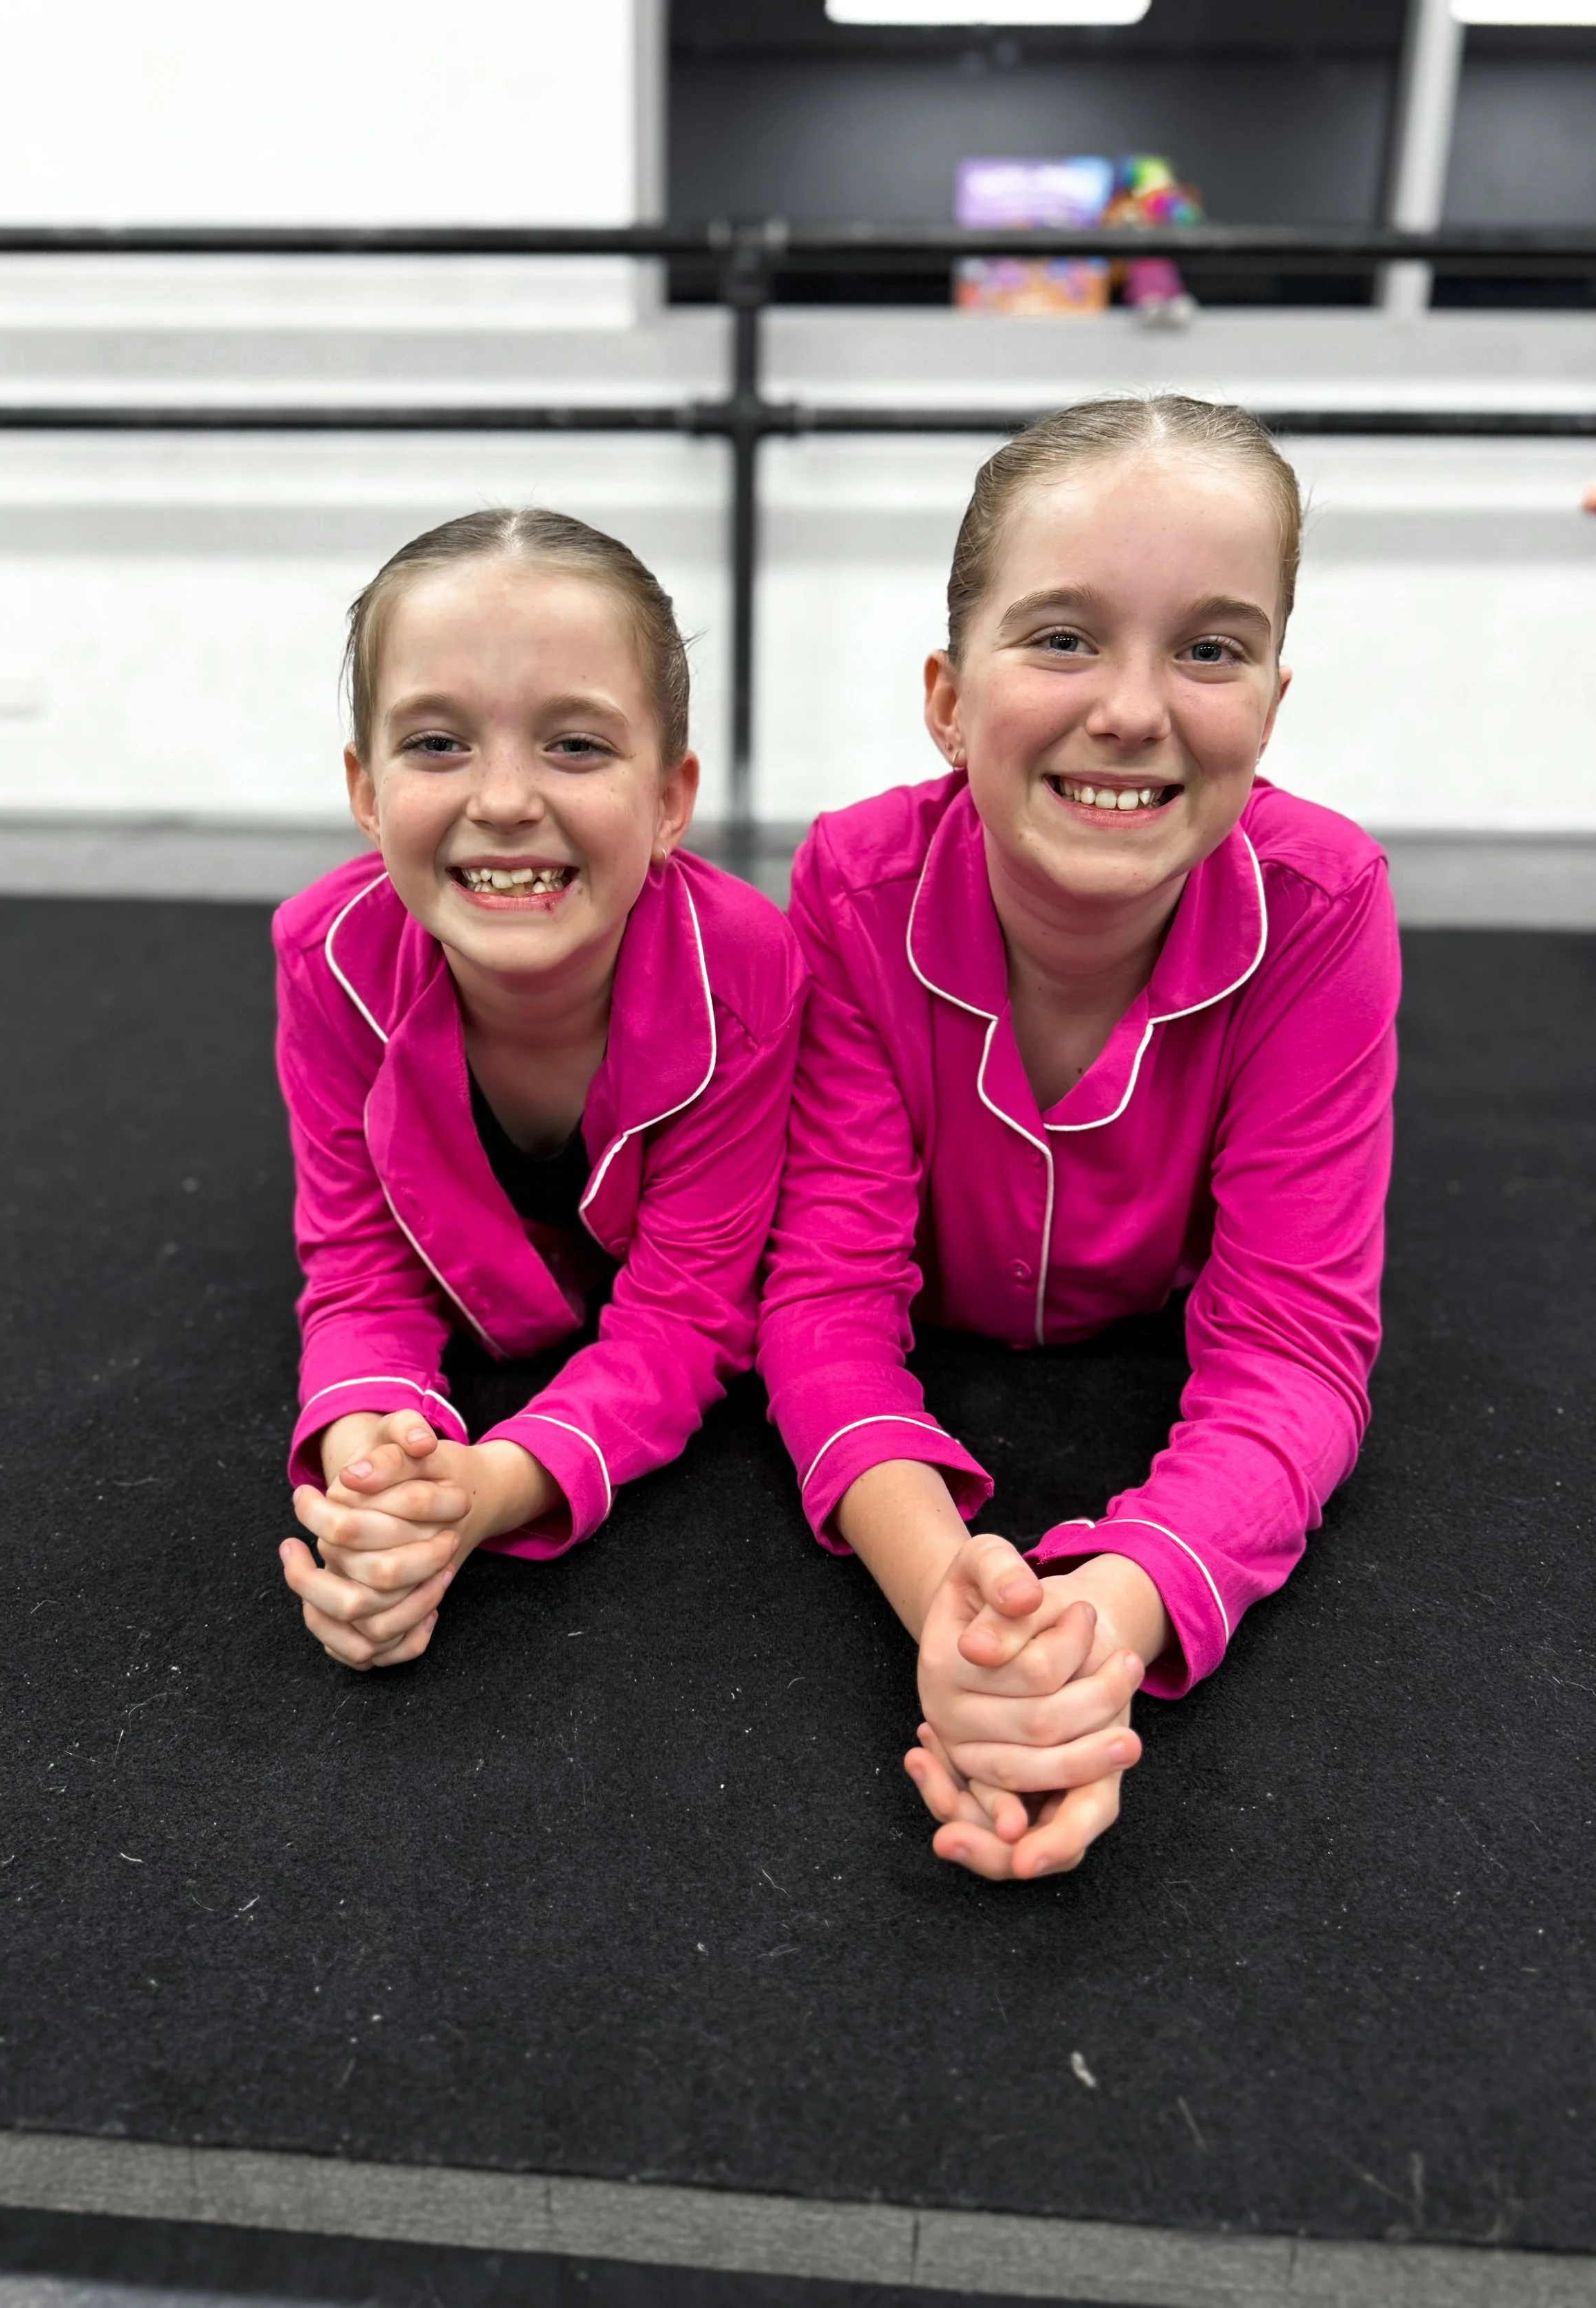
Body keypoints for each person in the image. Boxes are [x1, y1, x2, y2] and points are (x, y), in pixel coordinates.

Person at [757, 396, 1399, 1881]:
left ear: (1272, 700)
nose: (1130, 708)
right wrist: (955, 1611)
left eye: (1209, 648)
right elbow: (822, 1299)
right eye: (1059, 639)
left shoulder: (1323, 905)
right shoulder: (851, 886)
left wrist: (1093, 1628)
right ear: (944, 694)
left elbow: (1293, 1352)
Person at [275, 510, 804, 1670]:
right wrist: (379, 1495)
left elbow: (688, 1312)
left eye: (574, 746)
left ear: (671, 800)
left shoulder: (748, 973)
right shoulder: (329, 955)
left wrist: (493, 1490)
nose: (505, 798)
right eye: (436, 745)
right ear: (365, 791)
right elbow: (361, 1270)